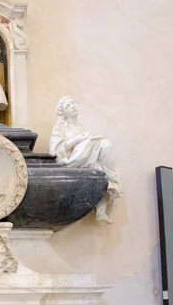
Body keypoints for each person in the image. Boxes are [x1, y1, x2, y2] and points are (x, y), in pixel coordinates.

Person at [49, 96, 121, 224]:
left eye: (72, 103)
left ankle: (106, 195)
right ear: (63, 112)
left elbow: (86, 144)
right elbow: (56, 150)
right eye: (68, 106)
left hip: (86, 158)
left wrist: (88, 139)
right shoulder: (59, 128)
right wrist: (79, 140)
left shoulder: (80, 127)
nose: (72, 106)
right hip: (73, 160)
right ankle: (112, 182)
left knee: (104, 148)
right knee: (103, 144)